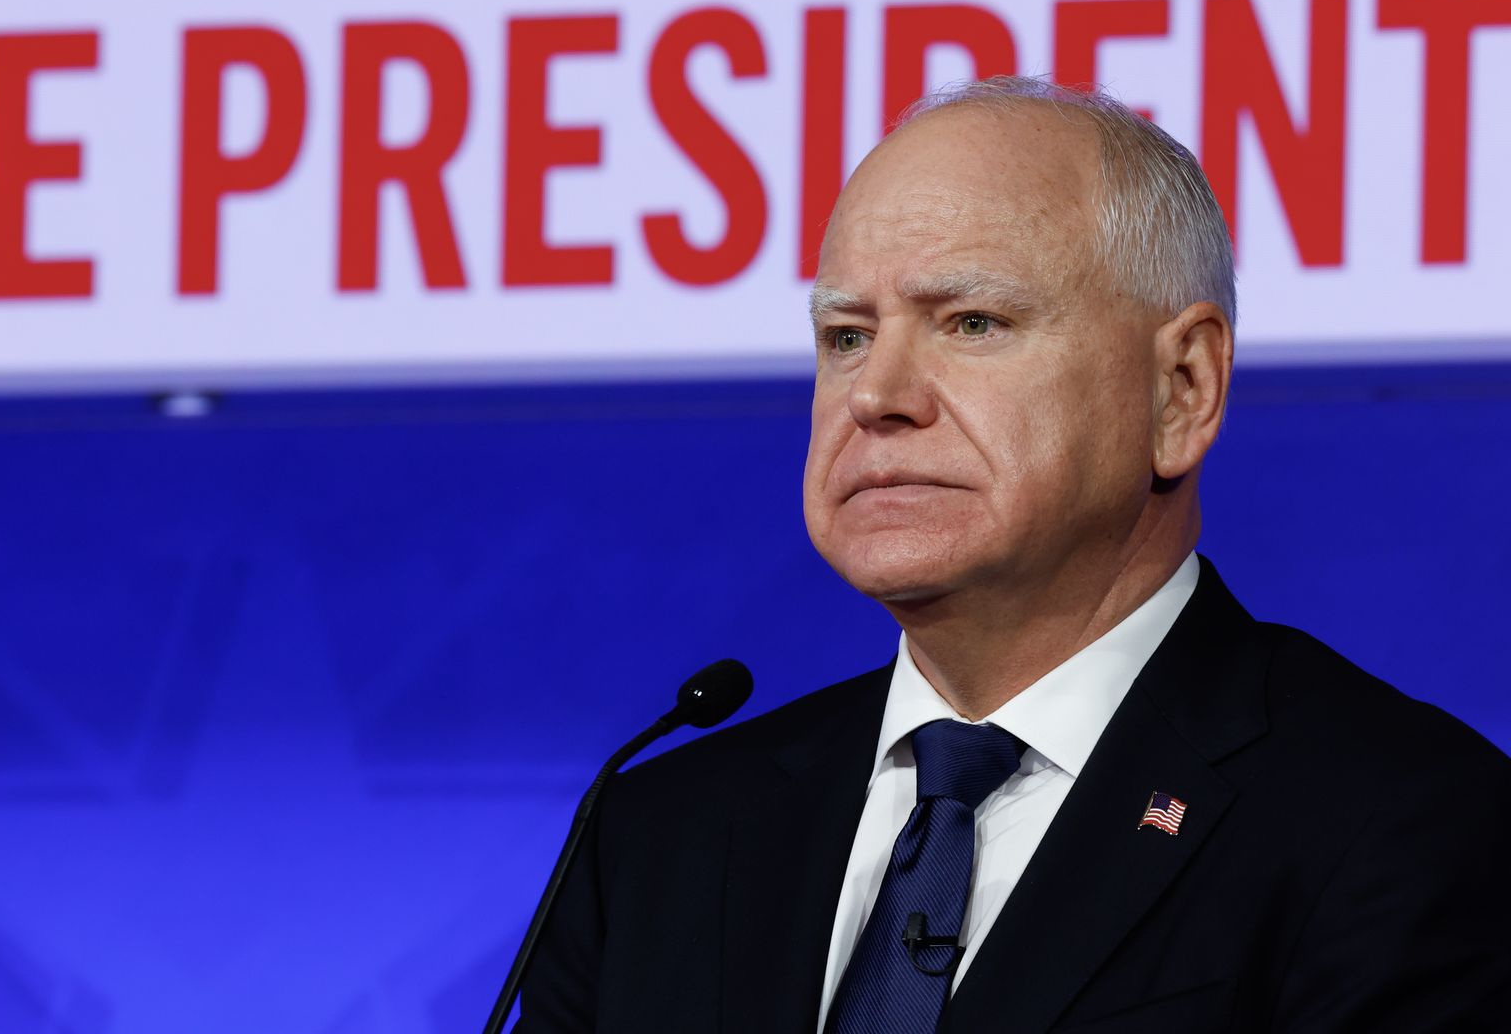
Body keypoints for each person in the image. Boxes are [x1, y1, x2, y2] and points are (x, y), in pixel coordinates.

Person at [515, 76, 1511, 1033]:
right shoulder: (658, 836)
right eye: (846, 335)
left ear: (1182, 392)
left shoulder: (1398, 824)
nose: (877, 395)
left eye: (973, 323)